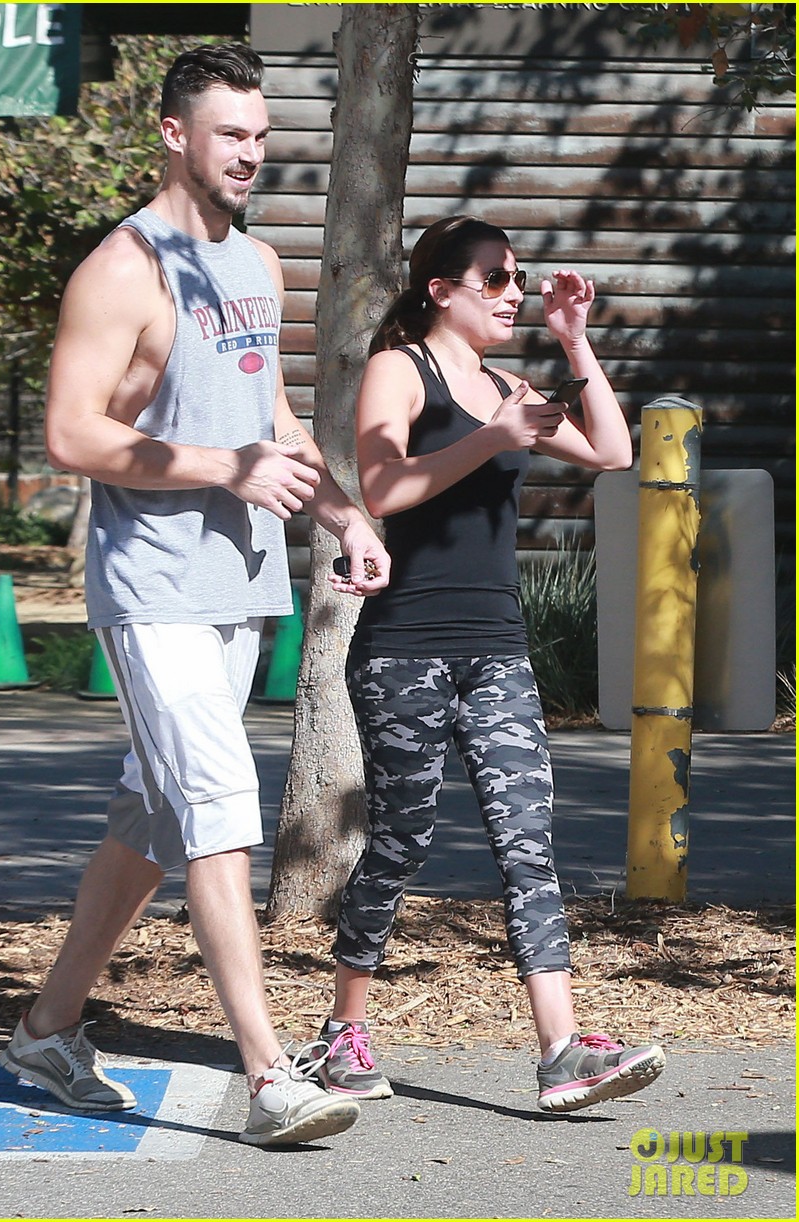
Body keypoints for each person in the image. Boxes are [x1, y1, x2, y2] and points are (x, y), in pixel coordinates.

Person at [0, 43, 389, 1148]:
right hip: (151, 587)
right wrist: (224, 467)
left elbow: (267, 421)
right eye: (231, 135)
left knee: (156, 814)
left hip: (239, 580)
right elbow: (72, 432)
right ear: (174, 132)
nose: (251, 155)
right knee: (217, 803)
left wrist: (342, 515)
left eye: (261, 138)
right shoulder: (121, 269)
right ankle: (271, 1075)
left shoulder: (260, 265)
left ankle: (47, 1024)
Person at [315, 215, 666, 1112]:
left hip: (497, 651)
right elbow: (384, 486)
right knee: (403, 838)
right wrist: (492, 437)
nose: (515, 291)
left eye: (518, 278)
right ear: (442, 290)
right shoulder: (403, 368)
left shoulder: (509, 384)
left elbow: (614, 454)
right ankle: (343, 1031)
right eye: (497, 279)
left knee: (527, 844)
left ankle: (560, 1051)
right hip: (405, 651)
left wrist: (574, 342)